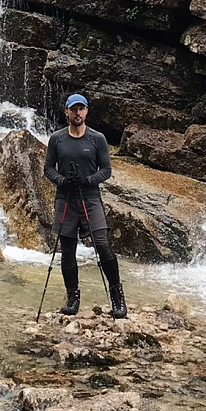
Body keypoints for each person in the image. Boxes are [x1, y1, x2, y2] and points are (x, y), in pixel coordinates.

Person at [43, 93, 126, 319]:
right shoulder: (57, 139)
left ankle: (117, 296)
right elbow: (48, 168)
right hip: (65, 198)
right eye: (73, 109)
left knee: (102, 244)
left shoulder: (97, 139)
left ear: (86, 111)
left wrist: (87, 180)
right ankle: (72, 297)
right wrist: (62, 180)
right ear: (67, 112)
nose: (77, 113)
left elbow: (106, 170)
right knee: (67, 250)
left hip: (90, 197)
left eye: (81, 109)